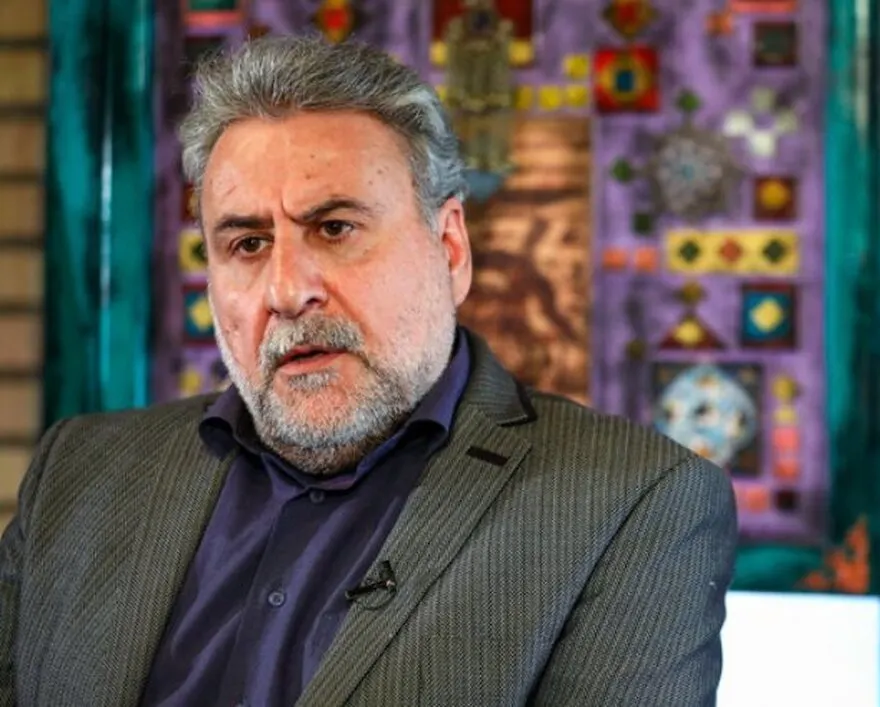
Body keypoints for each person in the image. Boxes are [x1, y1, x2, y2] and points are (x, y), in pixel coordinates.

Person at [0, 36, 737, 707]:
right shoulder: (77, 473)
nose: (288, 290)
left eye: (334, 228)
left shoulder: (631, 505)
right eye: (248, 243)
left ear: (450, 247)